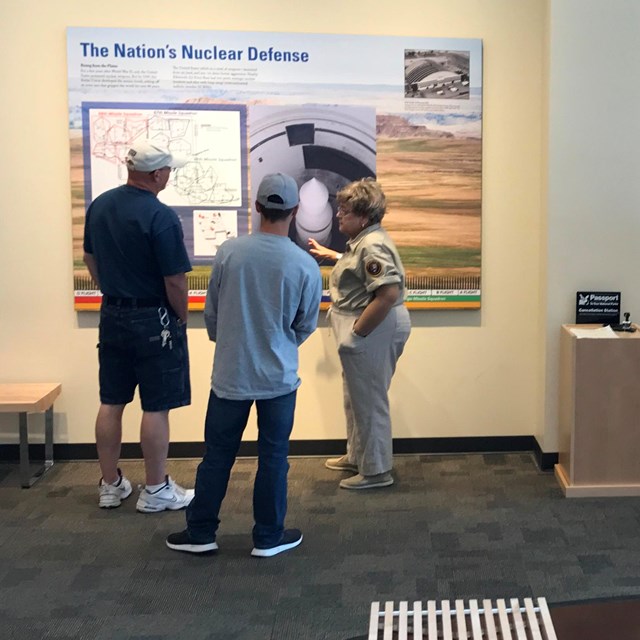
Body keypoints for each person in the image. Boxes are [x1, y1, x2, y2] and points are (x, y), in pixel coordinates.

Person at [166, 173, 322, 557]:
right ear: (296, 211)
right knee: (274, 456)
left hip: (230, 376)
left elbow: (213, 314)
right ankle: (268, 537)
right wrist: (280, 345)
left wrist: (236, 342)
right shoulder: (304, 265)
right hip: (279, 379)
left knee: (217, 455)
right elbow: (305, 324)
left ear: (257, 208)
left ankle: (201, 531)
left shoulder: (229, 252)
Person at [83, 140, 194, 513]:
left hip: (111, 315)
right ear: (156, 174)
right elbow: (175, 281)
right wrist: (179, 317)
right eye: (168, 171)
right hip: (154, 318)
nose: (169, 175)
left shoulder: (100, 205)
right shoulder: (160, 216)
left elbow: (89, 256)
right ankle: (156, 488)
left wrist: (111, 290)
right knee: (156, 406)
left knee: (111, 401)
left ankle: (110, 484)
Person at [308, 178, 411, 490]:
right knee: (355, 398)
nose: (338, 215)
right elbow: (361, 268)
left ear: (364, 216)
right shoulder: (364, 242)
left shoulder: (372, 244)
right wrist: (332, 255)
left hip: (372, 327)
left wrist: (357, 334)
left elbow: (388, 293)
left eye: (345, 211)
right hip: (366, 326)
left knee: (368, 400)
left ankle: (376, 471)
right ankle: (358, 456)